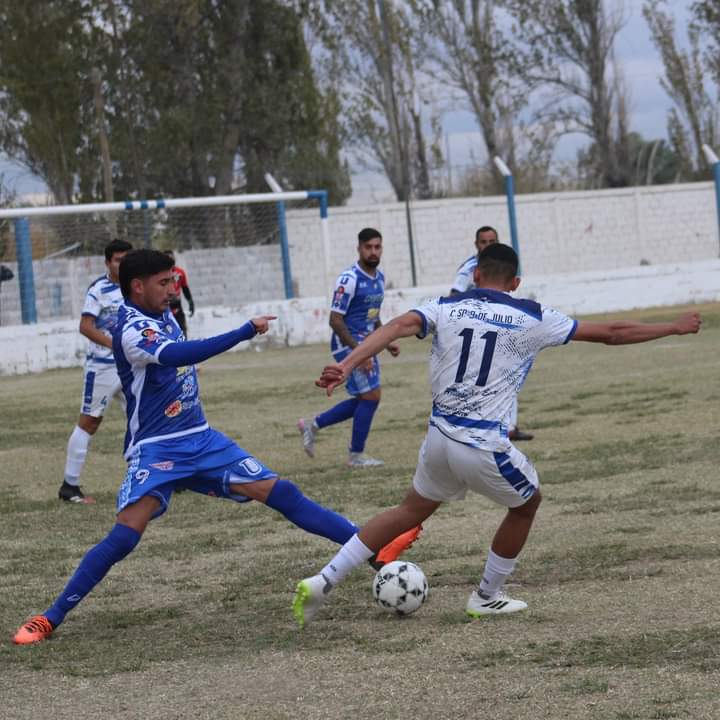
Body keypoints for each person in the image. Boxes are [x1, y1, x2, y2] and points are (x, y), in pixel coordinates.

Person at [13, 249, 417, 645]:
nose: (173, 289)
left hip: (202, 439)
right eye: (164, 282)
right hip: (157, 449)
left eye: (173, 281)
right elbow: (179, 354)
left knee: (282, 493)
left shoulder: (163, 312)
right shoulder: (131, 328)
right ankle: (49, 618)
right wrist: (244, 331)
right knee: (125, 536)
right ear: (137, 286)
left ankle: (374, 550)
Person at [292, 244, 701, 627]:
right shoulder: (532, 316)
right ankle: (486, 596)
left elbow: (398, 326)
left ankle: (323, 580)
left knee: (409, 510)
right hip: (481, 443)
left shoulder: (446, 306)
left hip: (438, 438)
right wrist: (674, 326)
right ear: (515, 282)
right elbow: (612, 332)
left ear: (476, 275)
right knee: (527, 504)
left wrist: (346, 365)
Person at [298, 228, 400, 468]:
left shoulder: (379, 279)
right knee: (371, 396)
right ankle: (355, 456)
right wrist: (358, 353)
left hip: (366, 344)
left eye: (377, 247)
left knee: (366, 398)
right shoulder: (349, 279)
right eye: (368, 247)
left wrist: (386, 341)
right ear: (359, 249)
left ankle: (313, 424)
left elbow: (372, 316)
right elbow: (335, 320)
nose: (373, 252)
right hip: (347, 344)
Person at [58, 238, 133, 504]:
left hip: (131, 367)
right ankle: (69, 486)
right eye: (118, 260)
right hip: (102, 367)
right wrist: (115, 345)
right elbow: (86, 326)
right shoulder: (98, 289)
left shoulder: (136, 286)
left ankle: (151, 476)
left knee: (143, 419)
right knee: (90, 422)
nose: (123, 265)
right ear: (108, 263)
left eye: (127, 259)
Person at [451, 226, 533, 442]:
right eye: (483, 242)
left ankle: (510, 427)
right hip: (477, 331)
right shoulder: (468, 269)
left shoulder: (504, 265)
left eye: (491, 241)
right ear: (476, 244)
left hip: (500, 326)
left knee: (510, 373)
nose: (487, 245)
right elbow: (453, 296)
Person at [163, 249, 195, 336]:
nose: (171, 260)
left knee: (182, 328)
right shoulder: (159, 274)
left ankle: (184, 342)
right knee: (166, 329)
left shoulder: (180, 272)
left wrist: (190, 302)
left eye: (172, 258)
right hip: (164, 304)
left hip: (177, 303)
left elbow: (185, 288)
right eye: (168, 258)